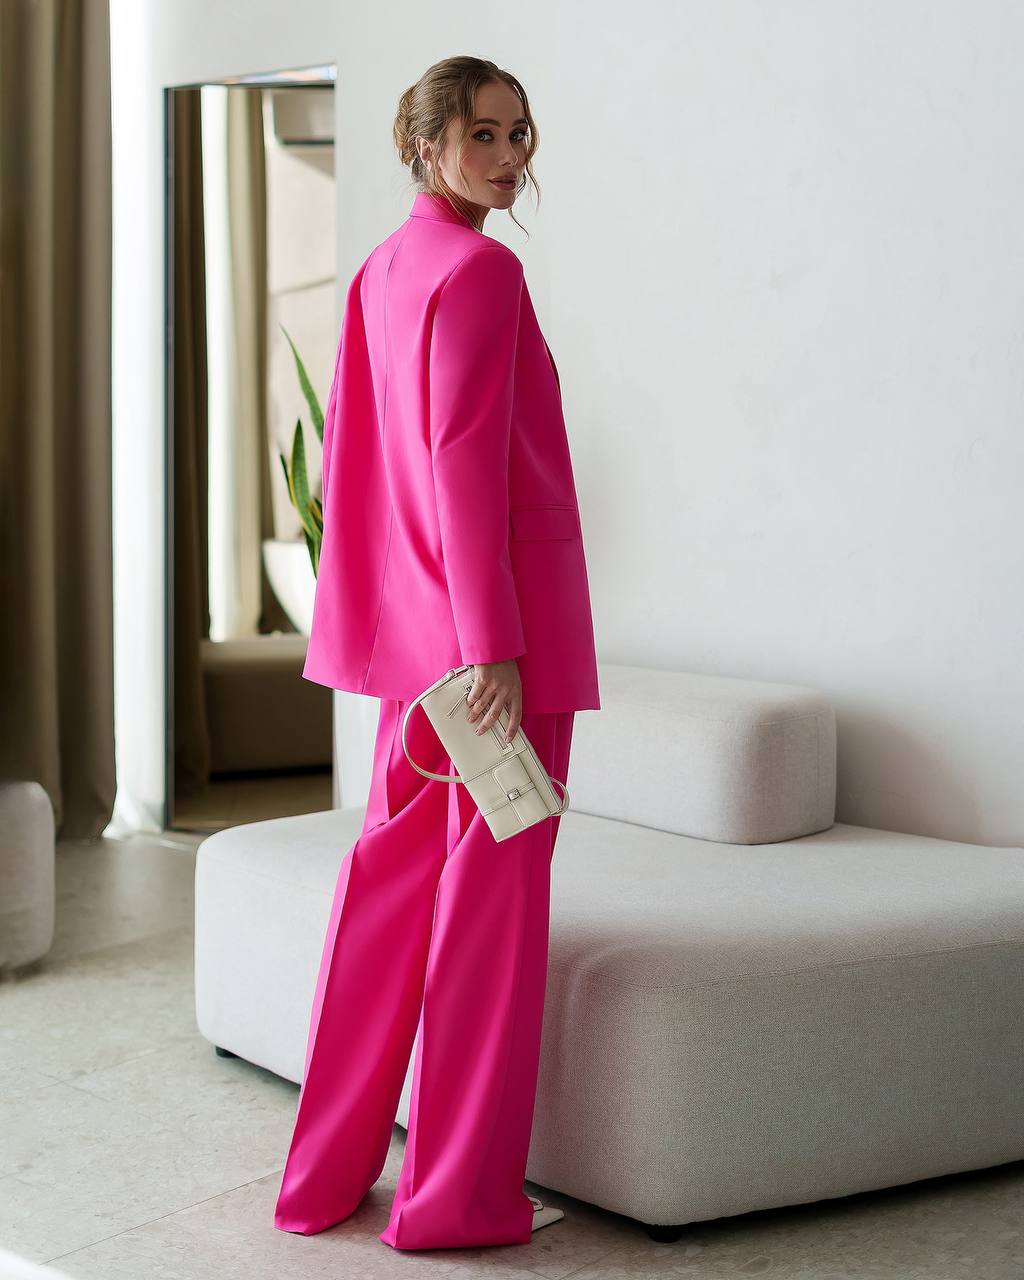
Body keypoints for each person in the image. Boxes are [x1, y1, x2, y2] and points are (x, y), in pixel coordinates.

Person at [272, 55, 600, 1251]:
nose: (509, 157)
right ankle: (457, 1198)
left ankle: (320, 1180)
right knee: (487, 920)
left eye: (520, 134)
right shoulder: (483, 270)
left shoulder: (379, 271)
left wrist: (426, 640)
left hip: (412, 650)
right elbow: (461, 463)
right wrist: (493, 647)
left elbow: (362, 475)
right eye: (483, 135)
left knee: (385, 895)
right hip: (493, 646)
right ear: (425, 146)